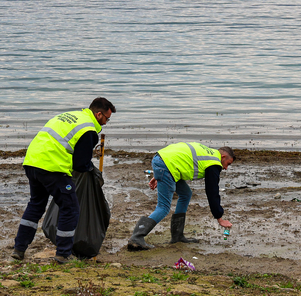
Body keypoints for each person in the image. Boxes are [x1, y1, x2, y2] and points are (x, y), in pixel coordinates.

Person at [12, 97, 115, 263]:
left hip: (32, 162)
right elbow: (81, 165)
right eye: (106, 119)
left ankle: (19, 249)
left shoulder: (71, 116)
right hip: (52, 167)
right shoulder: (87, 129)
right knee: (70, 207)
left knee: (36, 205)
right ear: (98, 114)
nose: (106, 122)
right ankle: (63, 254)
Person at [128, 142, 235, 250]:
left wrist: (158, 175)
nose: (225, 168)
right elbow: (212, 191)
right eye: (228, 164)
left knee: (186, 194)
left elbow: (180, 156)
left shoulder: (208, 153)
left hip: (163, 161)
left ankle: (177, 236)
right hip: (167, 166)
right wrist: (219, 218)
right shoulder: (214, 163)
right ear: (223, 156)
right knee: (163, 207)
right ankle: (137, 238)